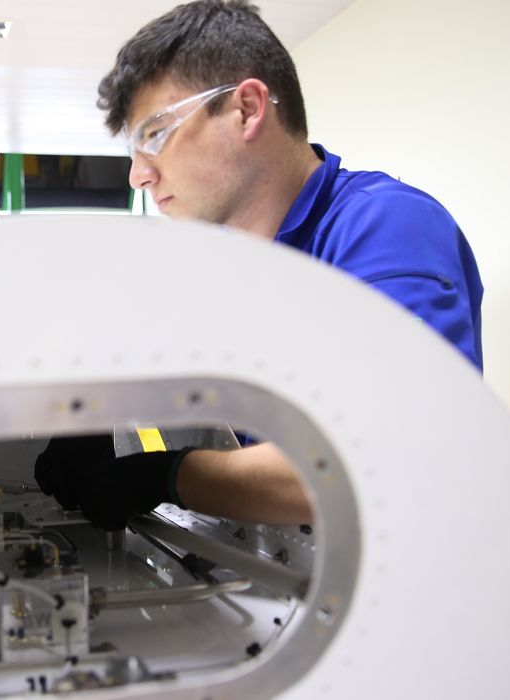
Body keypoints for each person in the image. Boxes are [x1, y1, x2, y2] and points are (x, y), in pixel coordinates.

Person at [34, 0, 483, 531]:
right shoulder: (226, 267)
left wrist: (167, 476)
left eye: (154, 136)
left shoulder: (384, 228)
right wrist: (101, 415)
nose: (138, 176)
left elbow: (384, 461)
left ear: (247, 109)